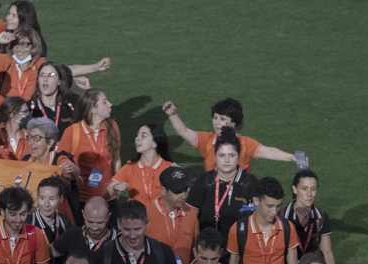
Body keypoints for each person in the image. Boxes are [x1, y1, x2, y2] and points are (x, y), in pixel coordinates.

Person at [162, 98, 300, 172]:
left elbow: (268, 151)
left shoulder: (244, 143)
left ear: (233, 123)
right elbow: (184, 131)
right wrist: (172, 115)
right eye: (215, 117)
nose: (216, 122)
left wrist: (293, 157)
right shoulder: (208, 140)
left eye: (222, 119)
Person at [186, 127, 258, 243]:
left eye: (231, 155)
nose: (227, 160)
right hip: (208, 251)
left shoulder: (250, 183)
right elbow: (190, 219)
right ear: (215, 156)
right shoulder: (204, 181)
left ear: (239, 156)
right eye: (221, 155)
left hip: (240, 251)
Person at [59, 89, 120, 204]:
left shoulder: (113, 127)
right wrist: (72, 168)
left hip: (108, 197)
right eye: (105, 102)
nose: (110, 105)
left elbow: (116, 158)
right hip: (81, 199)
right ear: (93, 109)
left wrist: (116, 184)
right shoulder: (72, 132)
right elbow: (61, 158)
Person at [105, 123, 177, 205]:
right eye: (137, 135)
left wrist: (179, 179)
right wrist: (115, 187)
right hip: (136, 217)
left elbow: (182, 197)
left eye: (143, 136)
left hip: (161, 217)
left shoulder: (169, 168)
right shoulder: (130, 167)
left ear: (155, 143)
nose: (137, 139)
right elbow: (105, 194)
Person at [282, 168, 336, 264]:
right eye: (304, 189)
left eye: (313, 189)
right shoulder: (281, 216)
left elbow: (327, 253)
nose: (310, 194)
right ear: (295, 189)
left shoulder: (321, 217)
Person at [144, 167, 198, 264]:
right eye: (178, 191)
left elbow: (195, 251)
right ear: (163, 190)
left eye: (186, 189)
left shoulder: (191, 213)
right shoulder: (146, 213)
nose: (184, 195)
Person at [52, 196, 115, 262]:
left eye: (100, 223)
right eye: (90, 222)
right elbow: (49, 252)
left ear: (108, 217)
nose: (94, 228)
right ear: (83, 215)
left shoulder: (118, 242)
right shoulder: (71, 235)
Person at [29, 61, 78, 137]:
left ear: (59, 81)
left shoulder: (73, 103)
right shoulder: (29, 108)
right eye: (42, 75)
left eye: (50, 75)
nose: (45, 79)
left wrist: (88, 89)